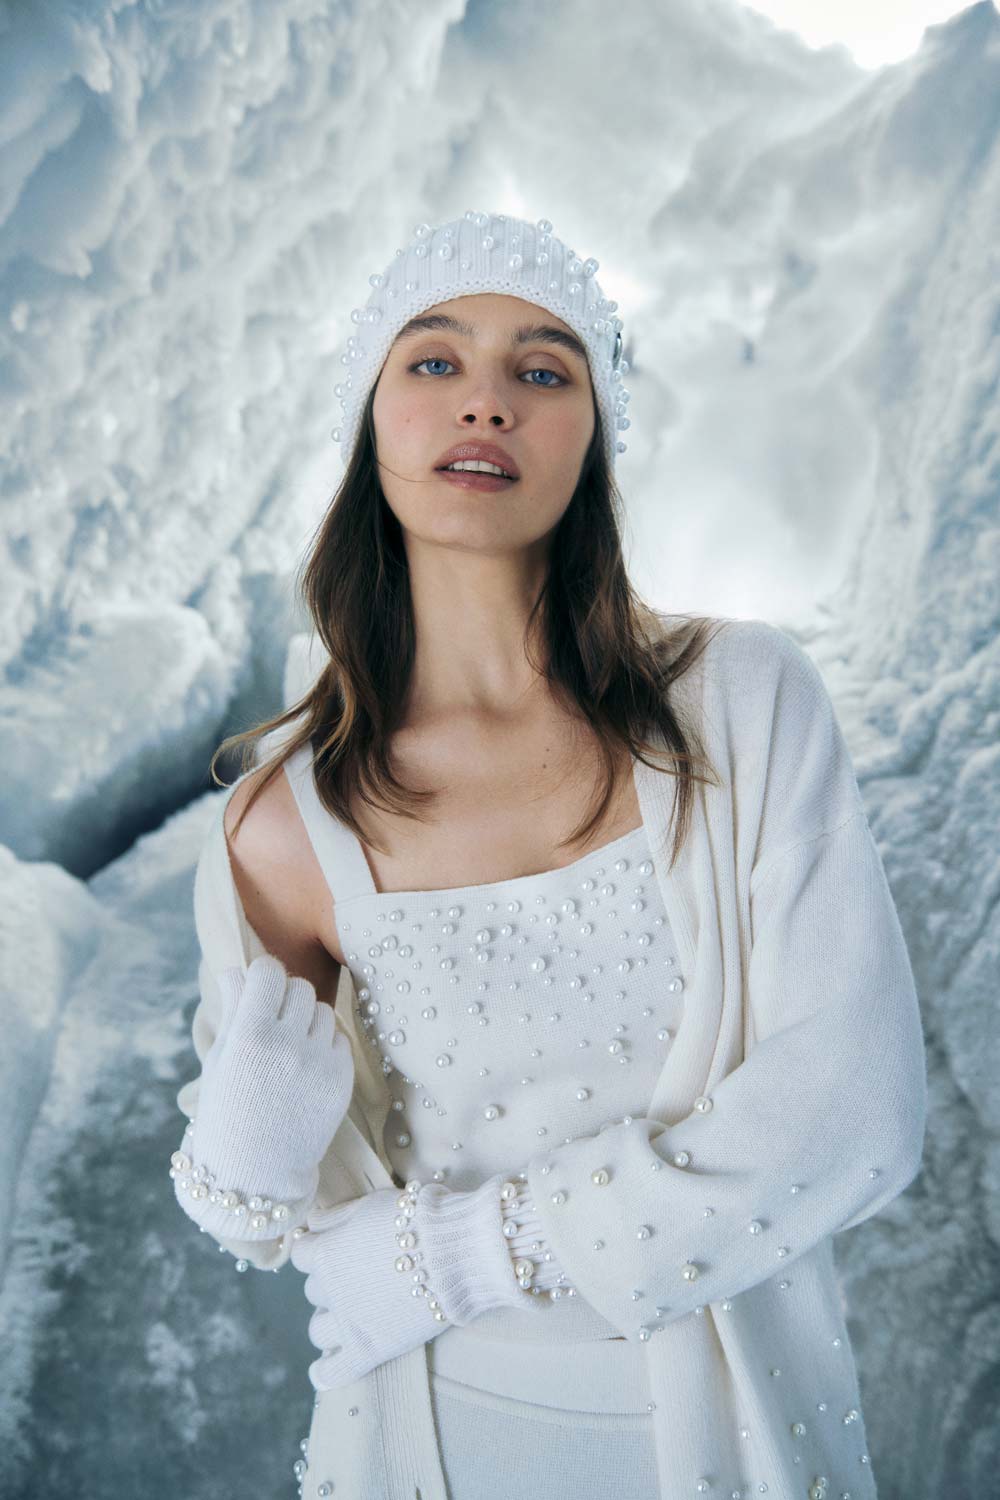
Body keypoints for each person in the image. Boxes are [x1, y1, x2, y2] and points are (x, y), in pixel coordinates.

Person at [169, 210, 927, 1500]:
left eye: (542, 369)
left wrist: (466, 1253)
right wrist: (240, 1155)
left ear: (596, 434)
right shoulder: (281, 820)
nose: (486, 404)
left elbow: (858, 1114)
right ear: (370, 419)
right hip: (429, 1436)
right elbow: (258, 1212)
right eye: (432, 361)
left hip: (731, 1432)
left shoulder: (741, 703)